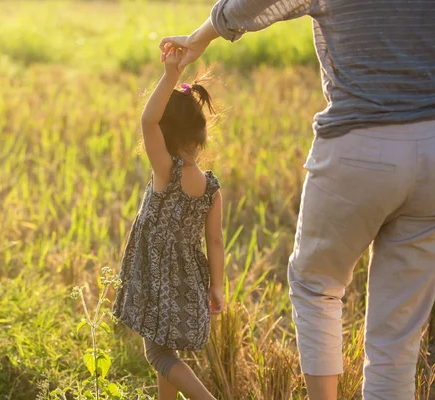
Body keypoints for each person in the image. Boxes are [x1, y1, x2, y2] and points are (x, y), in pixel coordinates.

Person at [159, 1, 435, 399]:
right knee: (397, 341)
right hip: (431, 149)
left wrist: (199, 37)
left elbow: (254, 4)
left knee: (317, 286)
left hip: (358, 142)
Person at [112, 48, 226, 400]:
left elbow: (147, 120)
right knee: (169, 354)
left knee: (157, 355)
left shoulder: (166, 172)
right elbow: (216, 242)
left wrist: (169, 77)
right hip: (190, 278)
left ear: (165, 134)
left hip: (156, 277)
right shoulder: (212, 188)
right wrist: (217, 288)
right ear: (201, 135)